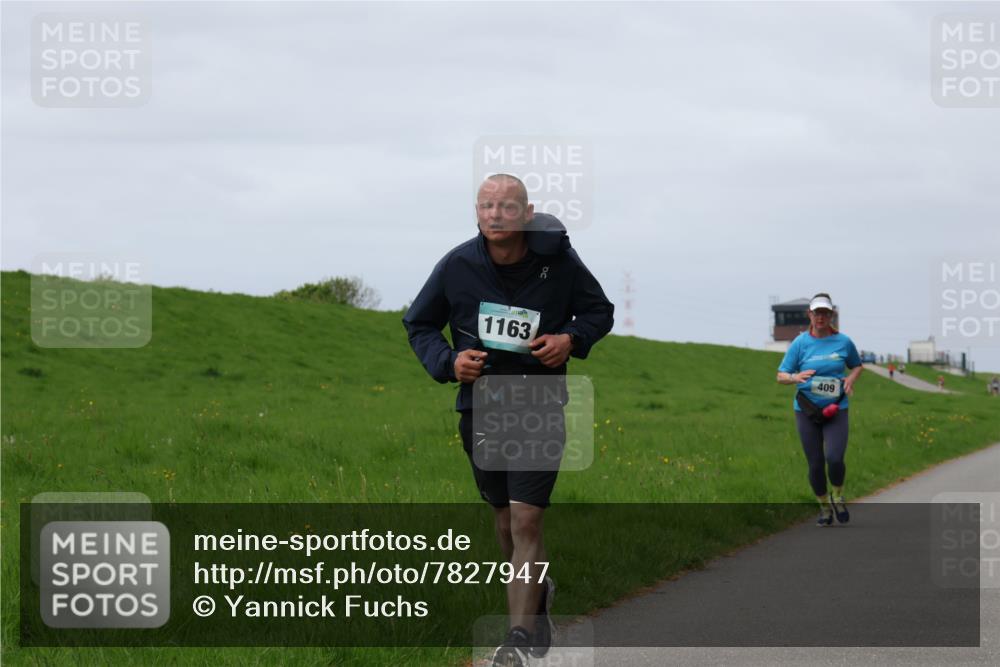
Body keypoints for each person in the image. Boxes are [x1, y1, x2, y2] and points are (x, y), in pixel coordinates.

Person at [403, 174, 614, 666]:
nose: (495, 213)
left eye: (505, 205)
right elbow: (419, 324)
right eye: (486, 205)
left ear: (526, 212)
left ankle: (515, 642)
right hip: (481, 408)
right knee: (503, 519)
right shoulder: (457, 265)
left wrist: (569, 340)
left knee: (526, 517)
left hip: (539, 403)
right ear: (476, 212)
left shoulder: (557, 260)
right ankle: (537, 595)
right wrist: (449, 363)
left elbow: (597, 312)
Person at [776, 293, 863, 526]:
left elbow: (857, 365)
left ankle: (837, 495)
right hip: (806, 410)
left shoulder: (843, 342)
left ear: (831, 315)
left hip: (837, 408)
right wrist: (795, 377)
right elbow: (780, 376)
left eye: (825, 313)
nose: (821, 317)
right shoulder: (800, 343)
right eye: (817, 313)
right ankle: (824, 507)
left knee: (834, 458)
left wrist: (851, 379)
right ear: (810, 315)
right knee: (815, 463)